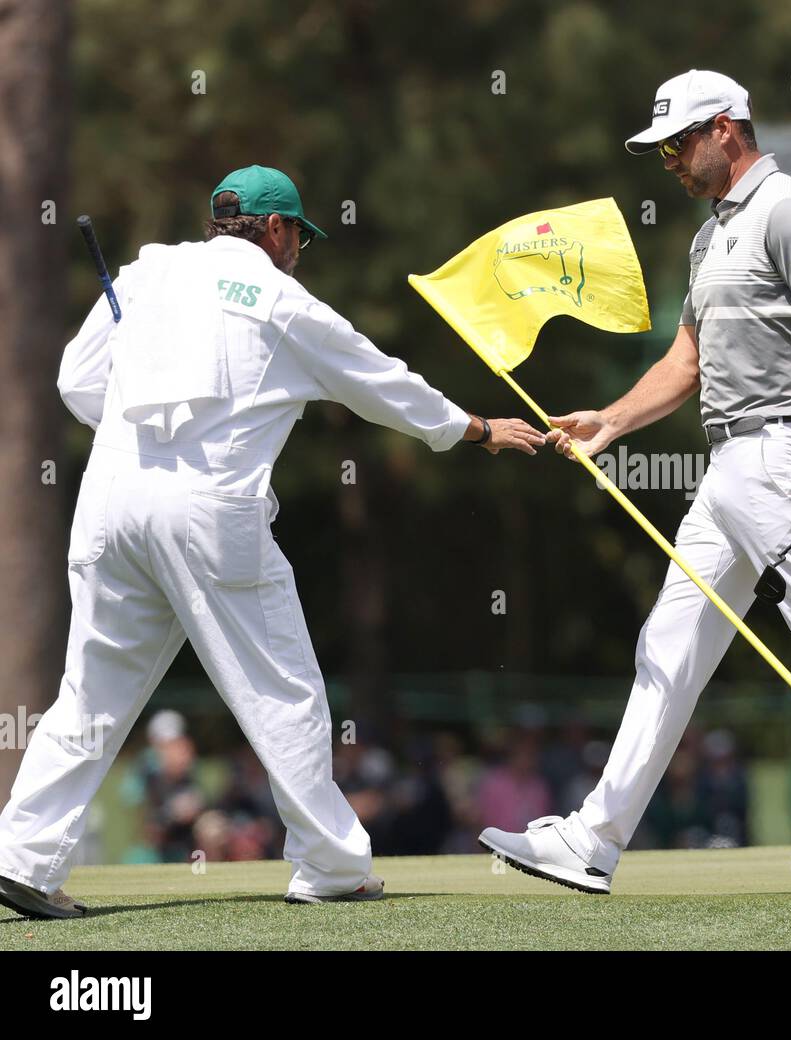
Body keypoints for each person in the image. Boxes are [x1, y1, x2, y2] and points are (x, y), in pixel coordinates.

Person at [0, 165, 544, 920]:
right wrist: (475, 429)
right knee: (283, 691)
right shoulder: (285, 302)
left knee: (89, 696)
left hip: (109, 499)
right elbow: (380, 381)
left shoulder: (149, 270)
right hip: (211, 511)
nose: (300, 251)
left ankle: (22, 858)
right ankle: (328, 864)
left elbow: (74, 381)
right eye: (299, 237)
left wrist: (136, 440)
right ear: (279, 231)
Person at [479, 71, 791, 895]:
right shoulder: (708, 235)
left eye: (680, 141)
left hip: (785, 456)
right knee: (669, 644)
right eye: (662, 147)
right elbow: (686, 362)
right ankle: (594, 838)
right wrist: (613, 421)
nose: (669, 159)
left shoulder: (785, 208)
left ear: (727, 128)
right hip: (728, 465)